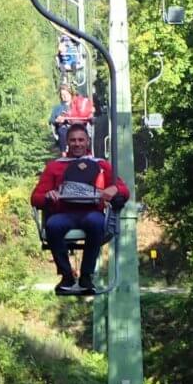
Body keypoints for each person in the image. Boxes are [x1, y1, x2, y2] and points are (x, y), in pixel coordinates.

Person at [30, 124, 129, 295]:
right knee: (53, 225)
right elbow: (35, 197)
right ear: (67, 142)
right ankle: (67, 275)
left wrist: (114, 190)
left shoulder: (101, 165)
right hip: (64, 213)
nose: (77, 144)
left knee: (96, 223)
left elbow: (124, 190)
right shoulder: (55, 167)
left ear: (87, 142)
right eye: (73, 140)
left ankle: (86, 276)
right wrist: (49, 195)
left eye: (81, 140)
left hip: (91, 213)